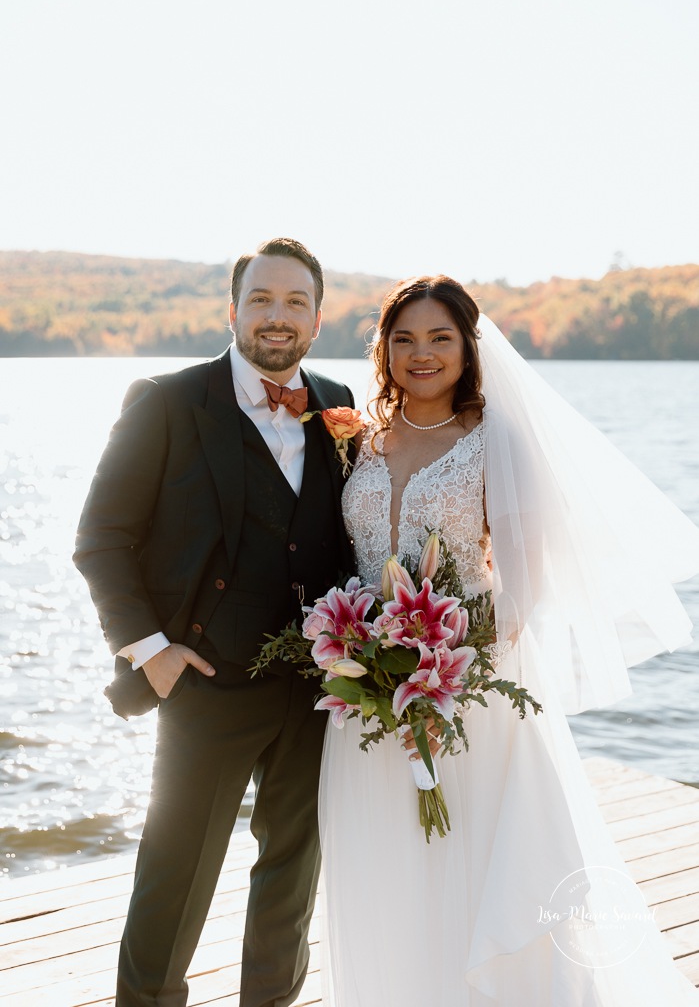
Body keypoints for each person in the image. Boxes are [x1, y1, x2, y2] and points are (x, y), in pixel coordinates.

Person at [319, 275, 699, 1005]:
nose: (420, 354)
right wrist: (368, 654)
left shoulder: (496, 439)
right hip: (366, 694)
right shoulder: (360, 438)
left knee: (475, 859)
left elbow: (530, 582)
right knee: (385, 863)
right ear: (382, 348)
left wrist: (436, 661)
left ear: (468, 347)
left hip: (471, 687)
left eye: (439, 338)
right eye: (403, 339)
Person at [73, 237, 356, 1007]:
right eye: (261, 298)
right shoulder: (167, 402)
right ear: (233, 309)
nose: (277, 315)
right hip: (202, 680)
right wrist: (150, 649)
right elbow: (101, 537)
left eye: (295, 301)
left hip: (317, 687)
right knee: (175, 875)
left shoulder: (340, 406)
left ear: (318, 316)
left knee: (290, 878)